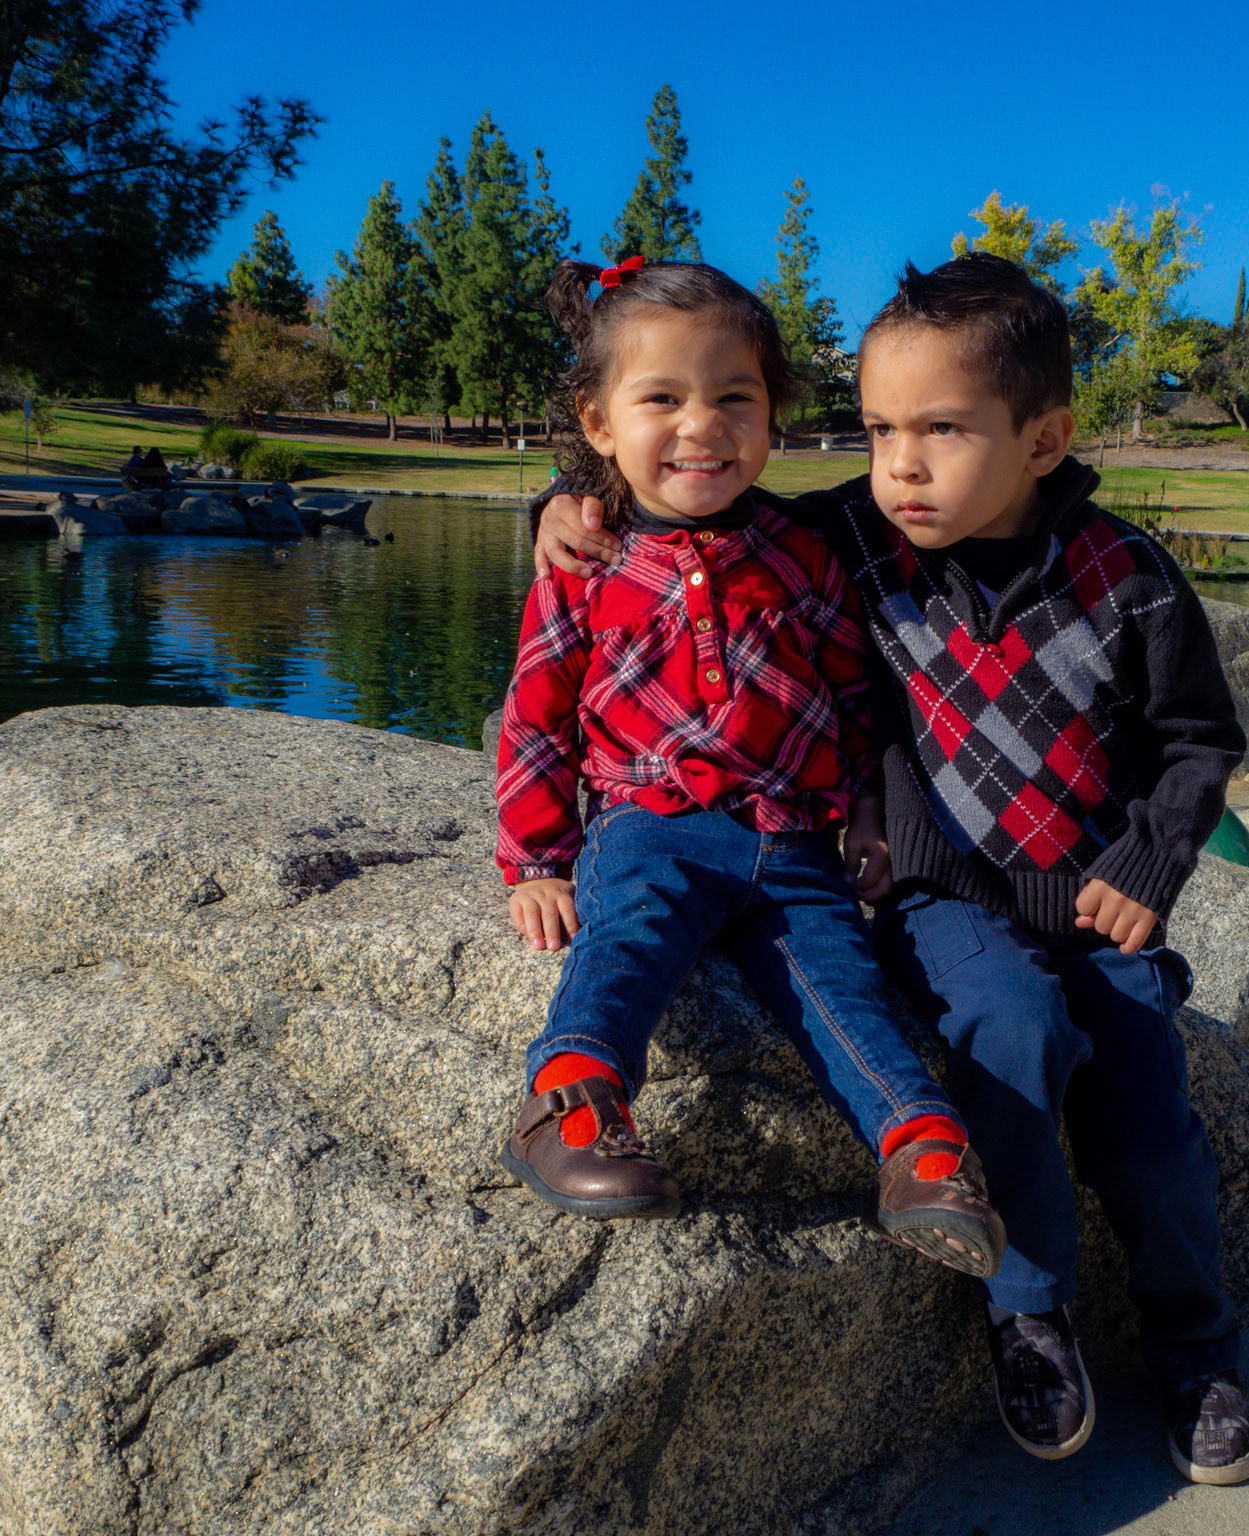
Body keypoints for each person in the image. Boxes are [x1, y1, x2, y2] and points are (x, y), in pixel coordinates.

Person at [534, 254, 1249, 1484]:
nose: (900, 466)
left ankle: (1196, 1349)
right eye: (877, 431)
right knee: (1007, 1034)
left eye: (939, 430)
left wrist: (1150, 860)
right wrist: (565, 505)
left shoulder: (1126, 577)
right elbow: (688, 495)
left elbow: (1197, 738)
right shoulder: (854, 539)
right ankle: (1026, 1312)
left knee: (1148, 1126)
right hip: (945, 899)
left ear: (1042, 439)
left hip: (1100, 904)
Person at [493, 255, 1006, 1281]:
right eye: (661, 400)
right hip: (651, 823)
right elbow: (536, 717)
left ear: (773, 416)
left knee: (841, 985)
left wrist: (867, 812)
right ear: (598, 422)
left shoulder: (803, 550)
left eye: (735, 398)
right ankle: (571, 1102)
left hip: (794, 839)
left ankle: (921, 1152)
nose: (702, 426)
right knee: (628, 938)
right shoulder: (587, 559)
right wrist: (536, 861)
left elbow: (854, 697)